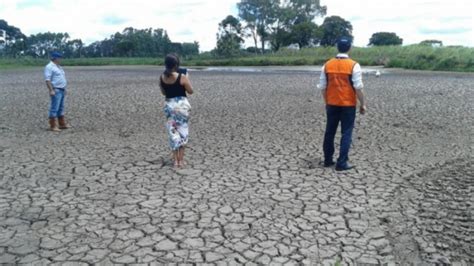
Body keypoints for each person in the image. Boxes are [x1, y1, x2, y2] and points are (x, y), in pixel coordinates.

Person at [318, 37, 367, 171]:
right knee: (346, 133)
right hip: (348, 104)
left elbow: (322, 87)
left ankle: (328, 160)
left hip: (332, 103)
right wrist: (362, 104)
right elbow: (358, 87)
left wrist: (327, 102)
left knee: (330, 132)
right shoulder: (354, 65)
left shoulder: (327, 65)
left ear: (337, 47)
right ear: (349, 48)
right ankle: (342, 162)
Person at [159, 54, 194, 167]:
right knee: (183, 132)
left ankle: (175, 161)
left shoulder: (162, 77)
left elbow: (163, 92)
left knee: (173, 133)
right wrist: (187, 78)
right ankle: (181, 160)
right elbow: (190, 91)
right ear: (176, 65)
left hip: (169, 106)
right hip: (181, 107)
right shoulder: (182, 77)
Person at [44, 52, 70, 132]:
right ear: (55, 58)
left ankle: (61, 123)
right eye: (59, 58)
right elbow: (47, 80)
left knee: (61, 107)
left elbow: (61, 78)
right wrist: (51, 90)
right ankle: (53, 125)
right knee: (54, 108)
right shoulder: (49, 67)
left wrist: (64, 88)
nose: (61, 59)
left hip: (61, 89)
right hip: (56, 89)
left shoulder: (58, 67)